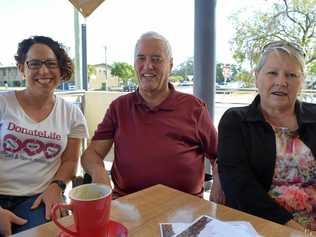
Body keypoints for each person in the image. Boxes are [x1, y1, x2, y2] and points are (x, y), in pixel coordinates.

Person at [81, 31, 224, 202]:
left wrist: (219, 180)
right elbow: (91, 154)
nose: (148, 66)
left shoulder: (194, 108)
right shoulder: (119, 107)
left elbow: (220, 156)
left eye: (156, 59)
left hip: (185, 210)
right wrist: (99, 172)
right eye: (141, 58)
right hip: (128, 207)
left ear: (170, 65)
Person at [218, 40, 316, 232]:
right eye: (272, 73)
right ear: (257, 77)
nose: (281, 81)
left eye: (291, 75)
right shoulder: (236, 121)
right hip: (261, 226)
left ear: (301, 81)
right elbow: (240, 188)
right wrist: (295, 231)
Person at [0, 36, 88, 236]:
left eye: (51, 64)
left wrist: (56, 187)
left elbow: (70, 161)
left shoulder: (72, 114)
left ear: (60, 69)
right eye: (35, 64)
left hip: (37, 198)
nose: (44, 71)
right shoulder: (3, 103)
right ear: (22, 68)